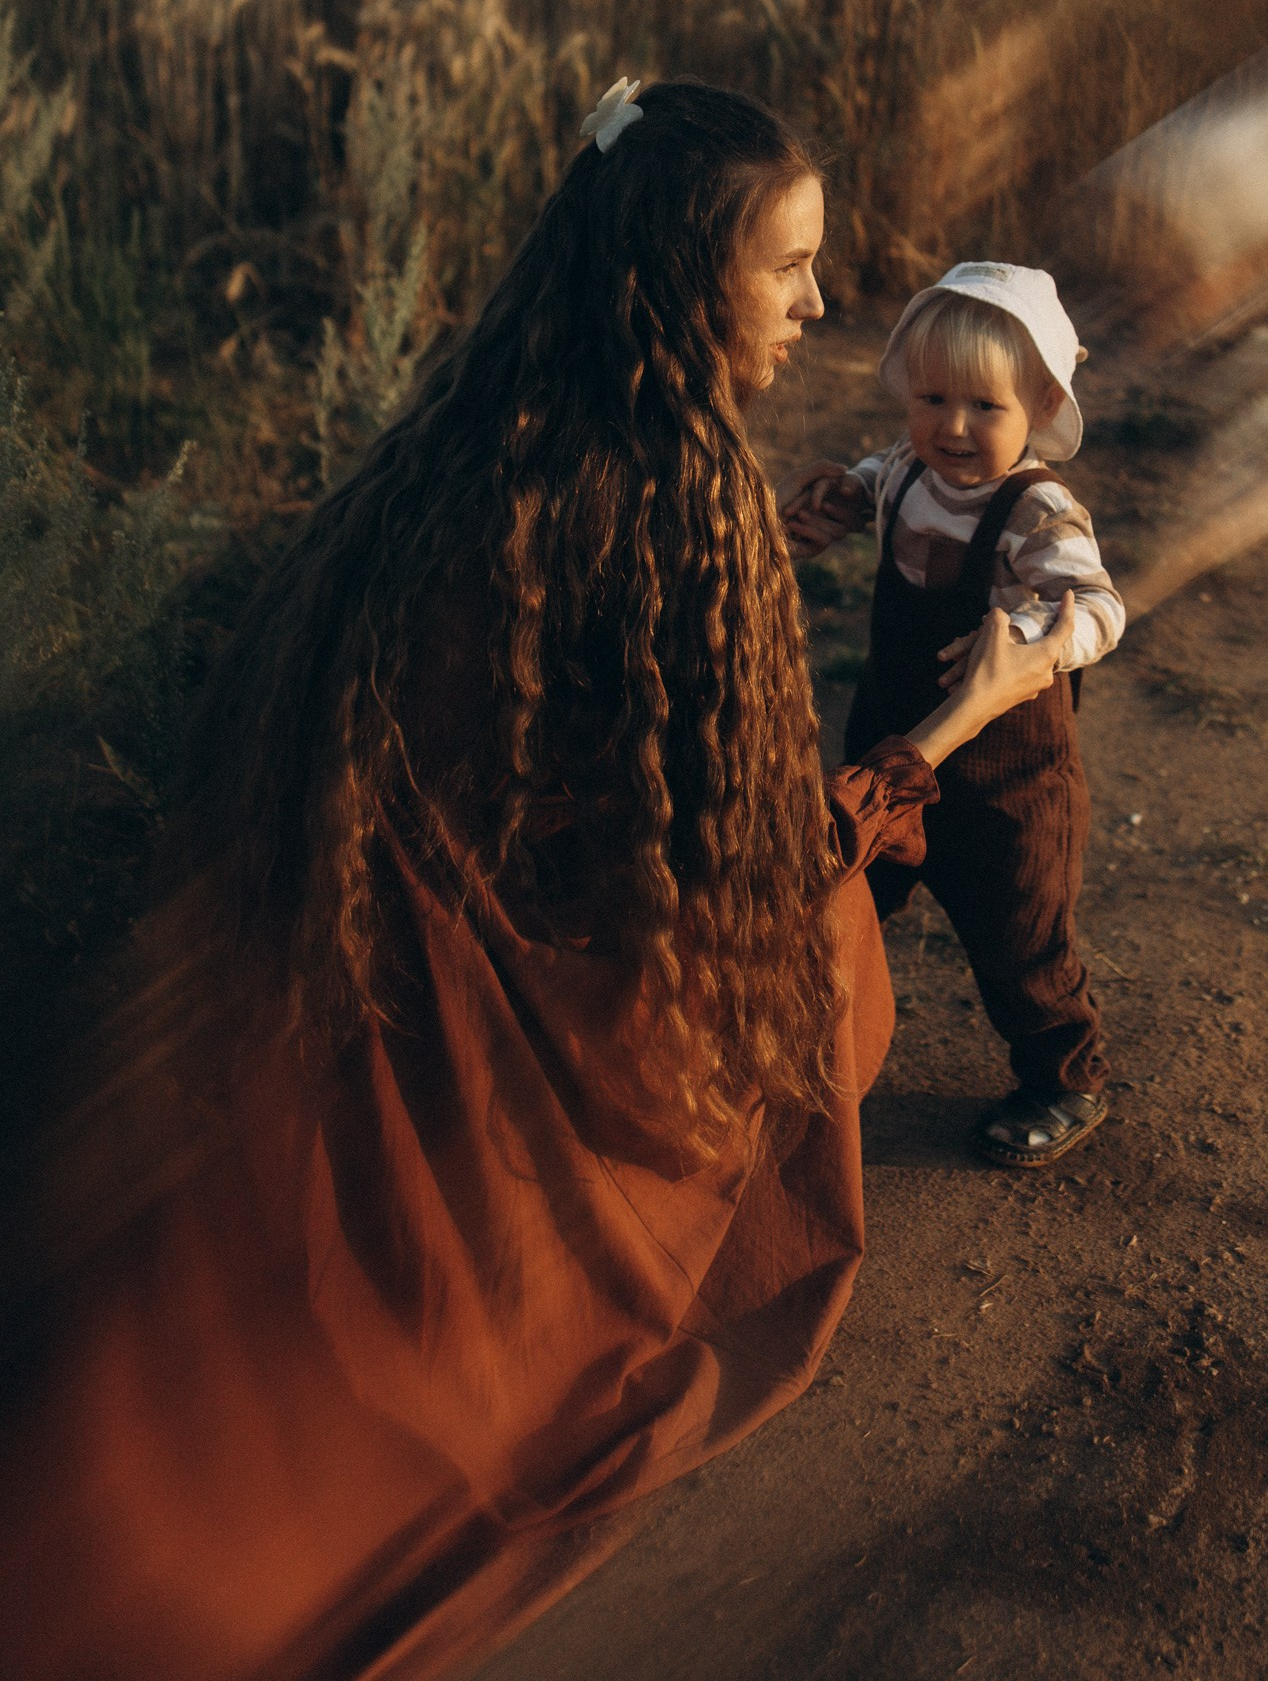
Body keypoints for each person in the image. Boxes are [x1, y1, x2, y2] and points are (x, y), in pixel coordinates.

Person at [0, 99, 1073, 1681]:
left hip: (347, 945)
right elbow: (738, 863)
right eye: (789, 266)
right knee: (826, 953)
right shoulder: (670, 485)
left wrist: (764, 560)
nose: (817, 303)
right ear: (687, 278)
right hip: (511, 965)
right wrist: (936, 739)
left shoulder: (479, 426)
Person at [779, 262, 1123, 1168]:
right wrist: (847, 500)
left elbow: (1101, 607)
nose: (953, 427)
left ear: (1042, 403)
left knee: (1022, 938)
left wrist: (1038, 639)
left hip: (1007, 785)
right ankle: (796, 1046)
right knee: (844, 899)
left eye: (985, 406)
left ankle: (1064, 1074)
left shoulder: (1037, 510)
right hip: (892, 753)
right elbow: (878, 476)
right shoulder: (903, 470)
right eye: (931, 398)